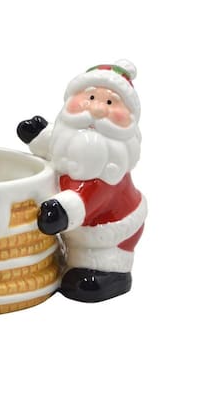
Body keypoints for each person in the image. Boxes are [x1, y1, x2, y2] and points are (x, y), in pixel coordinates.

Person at [17, 60, 147, 302]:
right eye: (91, 97)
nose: (97, 109)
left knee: (94, 261)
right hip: (75, 231)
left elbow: (86, 199)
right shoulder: (69, 136)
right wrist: (37, 135)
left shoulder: (109, 171)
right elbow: (58, 146)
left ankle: (112, 275)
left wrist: (61, 212)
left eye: (110, 103)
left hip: (108, 232)